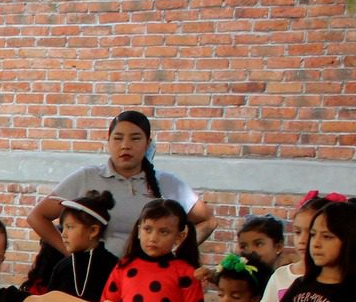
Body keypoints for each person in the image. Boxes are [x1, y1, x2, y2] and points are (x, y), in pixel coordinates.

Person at [26, 109, 215, 262]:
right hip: (96, 279)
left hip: (145, 282)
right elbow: (37, 216)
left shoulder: (167, 183)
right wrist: (70, 254)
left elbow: (208, 220)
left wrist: (175, 255)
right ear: (108, 141)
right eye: (118, 138)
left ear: (148, 143)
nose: (125, 145)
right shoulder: (87, 177)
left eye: (135, 138)